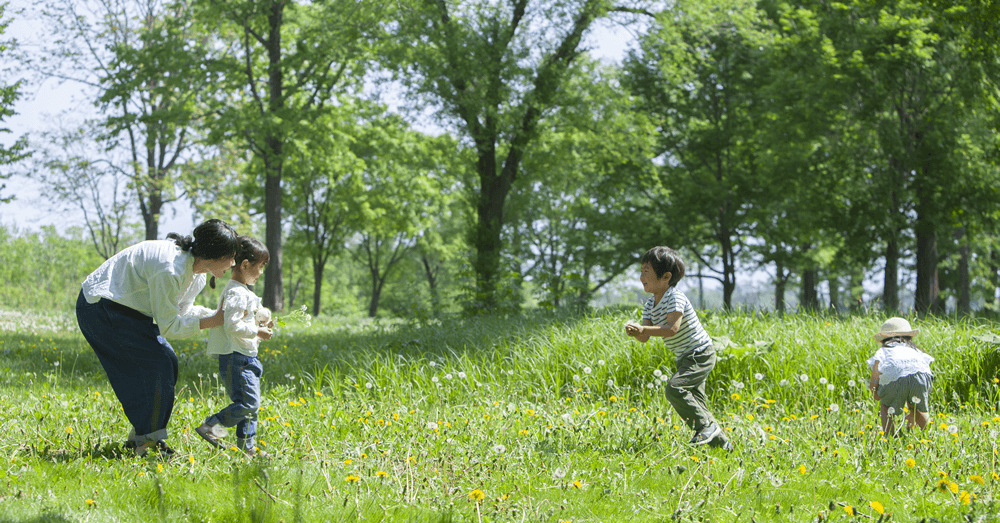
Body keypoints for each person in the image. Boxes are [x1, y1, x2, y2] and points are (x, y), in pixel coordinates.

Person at [76, 219, 239, 457]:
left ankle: (143, 437)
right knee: (158, 364)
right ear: (213, 256)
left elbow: (180, 311)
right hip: (101, 306)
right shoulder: (170, 268)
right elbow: (170, 326)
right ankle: (147, 444)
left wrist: (217, 316)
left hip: (127, 310)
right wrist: (214, 320)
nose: (233, 263)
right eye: (230, 257)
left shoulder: (197, 274)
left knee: (167, 361)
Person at [625, 246, 730, 450]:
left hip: (700, 353)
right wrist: (637, 332)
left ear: (665, 276)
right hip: (684, 357)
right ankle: (723, 447)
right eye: (641, 271)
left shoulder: (675, 297)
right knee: (698, 403)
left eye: (646, 272)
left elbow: (671, 329)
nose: (641, 277)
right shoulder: (649, 305)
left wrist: (643, 328)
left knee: (675, 389)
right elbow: (645, 337)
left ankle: (706, 426)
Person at [196, 236, 272, 457]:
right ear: (245, 264)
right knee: (248, 403)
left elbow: (243, 323)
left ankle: (247, 447)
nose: (260, 273)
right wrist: (257, 331)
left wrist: (261, 326)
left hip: (246, 357)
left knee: (251, 405)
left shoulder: (243, 291)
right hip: (236, 359)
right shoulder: (236, 293)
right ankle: (211, 425)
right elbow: (231, 325)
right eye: (260, 267)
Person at [867, 317, 933, 435]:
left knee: (886, 407)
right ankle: (929, 435)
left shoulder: (884, 351)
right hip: (921, 375)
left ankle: (890, 437)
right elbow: (925, 367)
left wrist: (875, 393)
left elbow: (876, 374)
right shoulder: (915, 351)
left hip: (894, 377)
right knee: (917, 407)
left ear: (883, 340)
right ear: (909, 338)